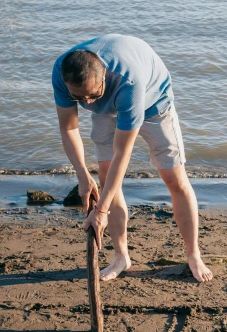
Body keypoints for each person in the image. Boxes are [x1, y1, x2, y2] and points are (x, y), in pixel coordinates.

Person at [52, 34, 213, 283]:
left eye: (93, 95)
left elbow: (122, 153)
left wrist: (101, 210)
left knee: (175, 180)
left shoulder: (129, 81)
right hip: (108, 107)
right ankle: (121, 256)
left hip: (153, 101)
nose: (87, 103)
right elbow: (69, 128)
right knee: (105, 180)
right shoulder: (63, 73)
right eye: (79, 99)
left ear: (104, 75)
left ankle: (193, 254)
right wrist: (83, 175)